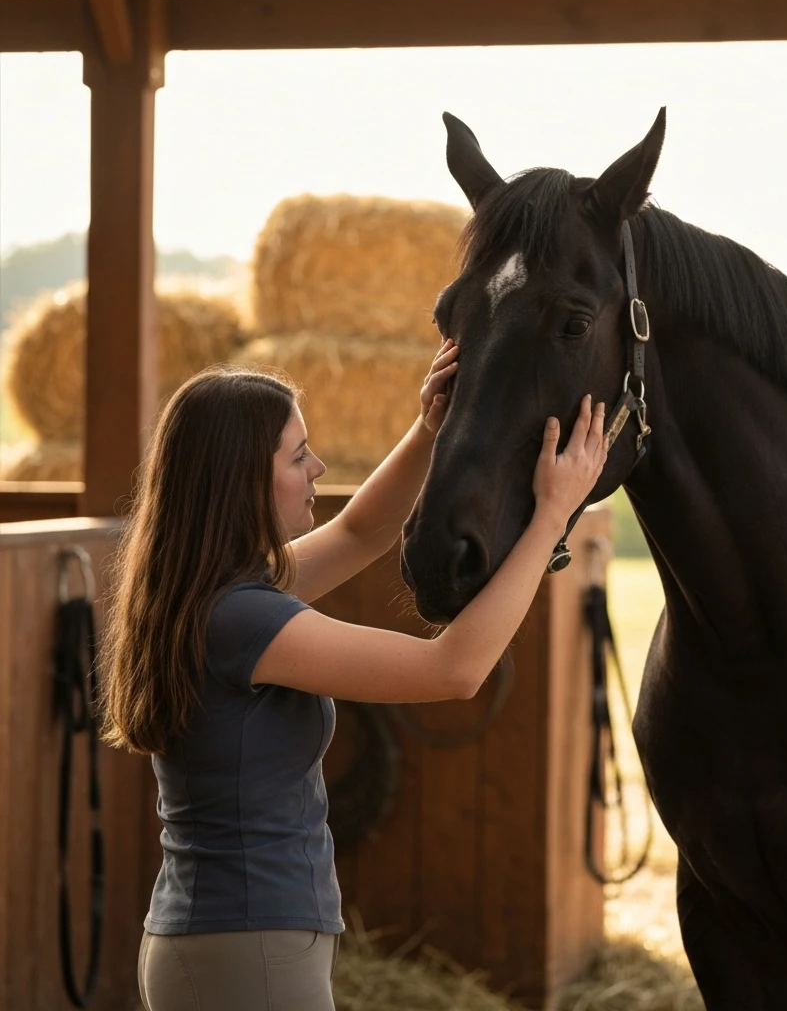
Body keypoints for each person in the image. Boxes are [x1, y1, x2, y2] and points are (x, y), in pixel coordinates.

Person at [98, 338, 608, 1011]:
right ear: (243, 478)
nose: (319, 467)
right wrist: (550, 516)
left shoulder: (210, 593)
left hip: (228, 943)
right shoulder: (242, 618)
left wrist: (430, 428)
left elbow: (362, 534)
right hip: (247, 948)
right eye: (297, 454)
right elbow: (454, 669)